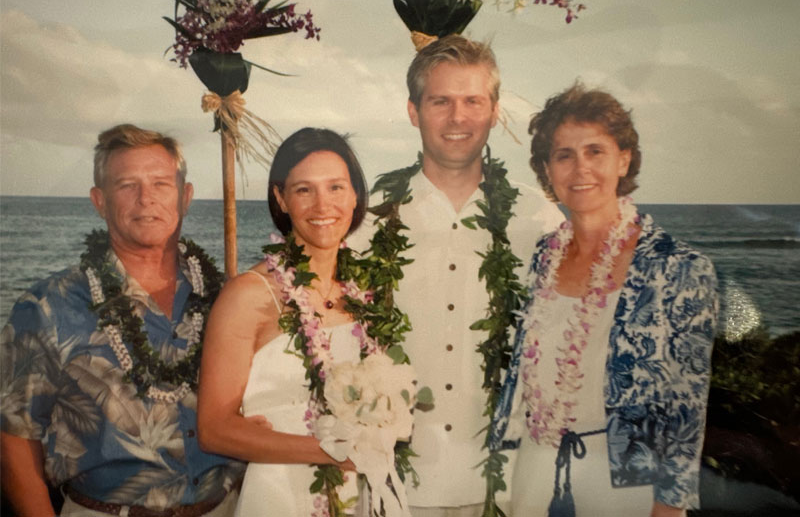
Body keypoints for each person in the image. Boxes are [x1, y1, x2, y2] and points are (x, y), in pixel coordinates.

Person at [349, 35, 563, 516]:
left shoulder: (539, 217)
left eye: (473, 101)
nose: (458, 117)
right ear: (413, 111)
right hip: (396, 486)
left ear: (495, 111)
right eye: (440, 101)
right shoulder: (368, 220)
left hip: (507, 486)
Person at [490, 83, 718, 516]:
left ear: (623, 160)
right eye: (564, 155)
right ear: (546, 168)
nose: (581, 169)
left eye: (595, 151)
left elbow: (687, 407)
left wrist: (670, 506)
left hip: (625, 483)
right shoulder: (543, 256)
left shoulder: (678, 266)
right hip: (534, 471)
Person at [0, 124, 244, 517]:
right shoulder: (48, 306)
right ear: (100, 201)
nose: (146, 199)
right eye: (127, 185)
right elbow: (14, 439)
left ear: (185, 196)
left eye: (161, 184)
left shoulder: (226, 298)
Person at [198, 128, 416, 517]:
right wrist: (334, 454)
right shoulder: (248, 295)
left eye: (335, 187)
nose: (322, 205)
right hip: (282, 494)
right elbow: (214, 430)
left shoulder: (362, 291)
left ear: (354, 196)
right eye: (303, 190)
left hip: (360, 493)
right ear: (281, 198)